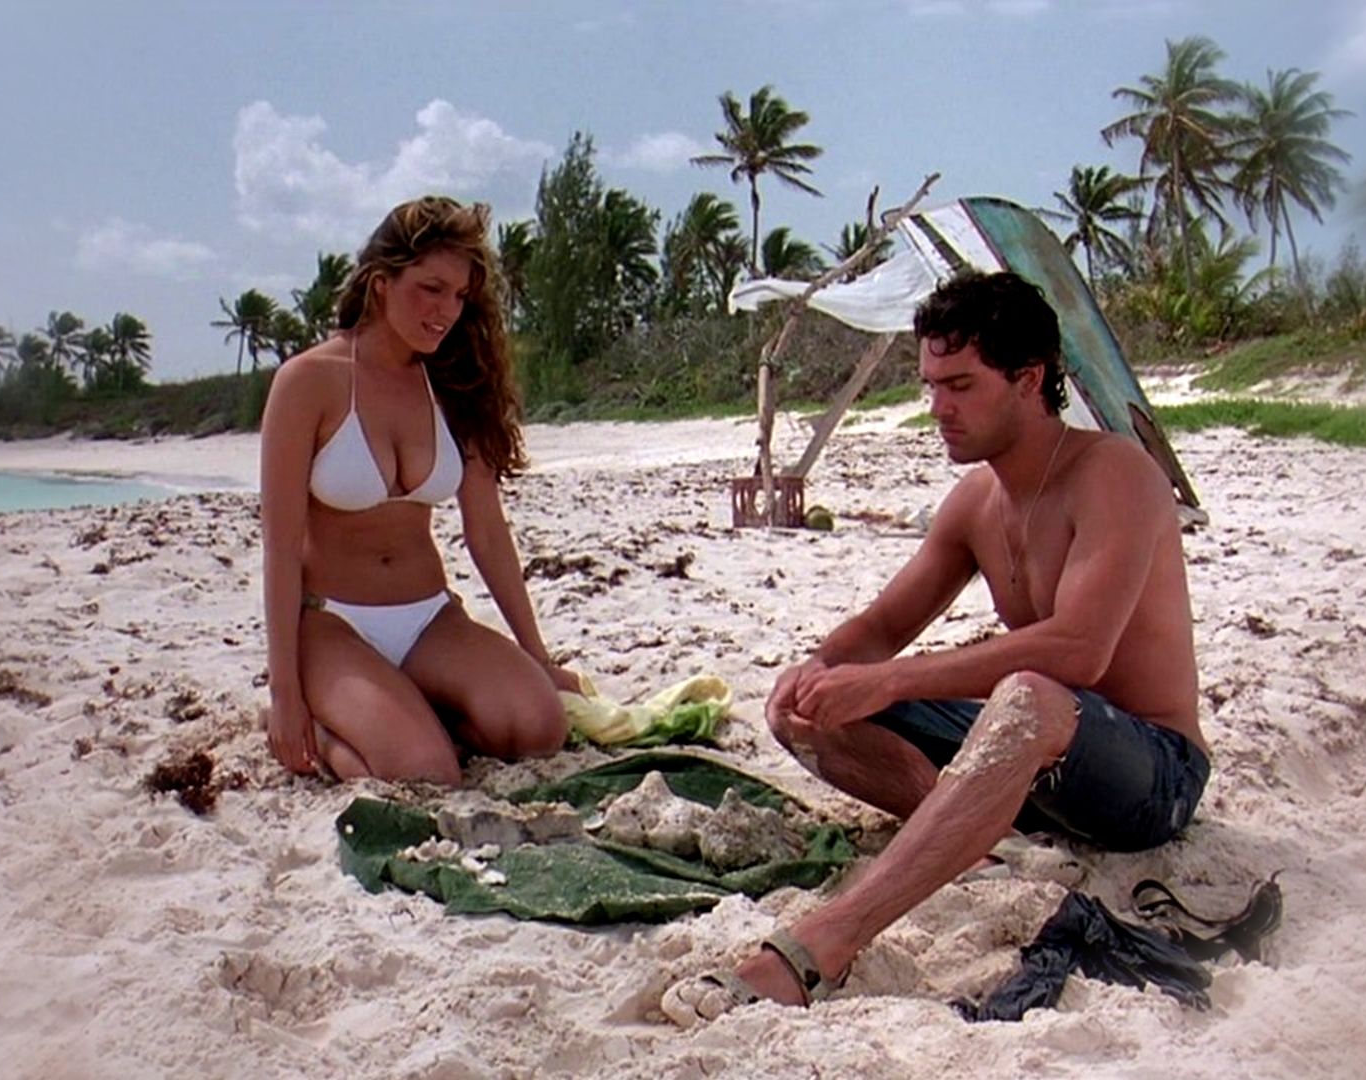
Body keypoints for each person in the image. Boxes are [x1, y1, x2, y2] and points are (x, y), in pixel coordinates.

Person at [662, 270, 1209, 1023]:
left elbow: (1079, 650)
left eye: (959, 386)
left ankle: (827, 941)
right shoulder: (978, 499)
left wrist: (891, 682)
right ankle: (975, 842)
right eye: (930, 386)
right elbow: (884, 627)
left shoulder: (1114, 473)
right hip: (1035, 768)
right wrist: (820, 669)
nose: (938, 408)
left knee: (1024, 695)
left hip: (1150, 776)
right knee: (808, 704)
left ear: (1029, 379)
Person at [258, 197, 577, 783]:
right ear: (381, 282)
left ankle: (406, 709)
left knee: (539, 726)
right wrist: (285, 695)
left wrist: (539, 658)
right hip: (333, 622)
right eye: (431, 289)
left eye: (459, 296)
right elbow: (279, 548)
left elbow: (487, 532)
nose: (446, 311)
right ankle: (333, 734)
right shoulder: (307, 382)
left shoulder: (454, 385)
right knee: (428, 774)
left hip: (428, 617)